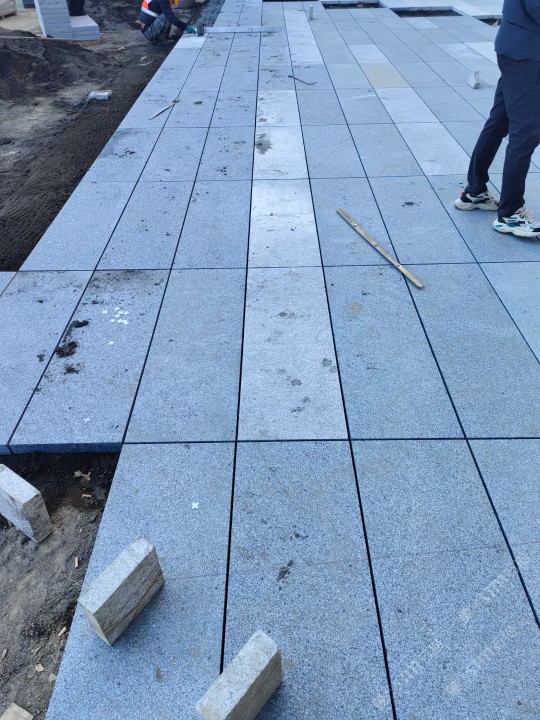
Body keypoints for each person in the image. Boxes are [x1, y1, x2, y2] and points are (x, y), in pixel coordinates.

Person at [455, 0, 540, 238]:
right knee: (526, 133)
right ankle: (510, 213)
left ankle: (475, 191)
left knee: (499, 122)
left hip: (517, 47)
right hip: (527, 55)